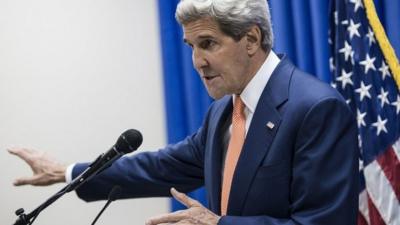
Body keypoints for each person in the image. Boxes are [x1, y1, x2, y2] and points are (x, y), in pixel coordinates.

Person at [8, 0, 359, 224]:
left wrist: (216, 224)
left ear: (251, 40)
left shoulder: (315, 108)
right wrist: (69, 173)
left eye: (208, 44)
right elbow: (161, 167)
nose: (197, 62)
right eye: (191, 46)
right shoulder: (224, 109)